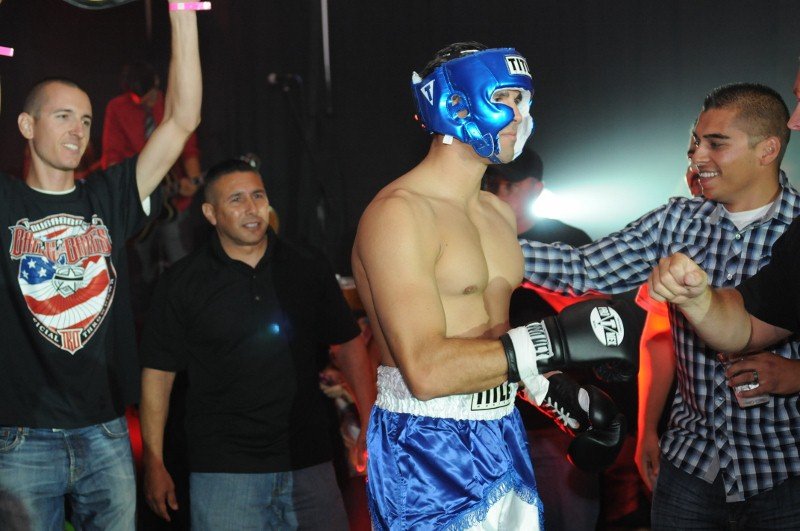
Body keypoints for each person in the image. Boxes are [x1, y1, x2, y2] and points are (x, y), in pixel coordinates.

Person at [352, 42, 634, 529]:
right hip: (426, 444)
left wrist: (557, 393)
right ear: (453, 104)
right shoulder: (399, 214)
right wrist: (554, 341)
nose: (519, 116)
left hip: (503, 430)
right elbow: (426, 372)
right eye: (503, 98)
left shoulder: (497, 214)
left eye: (523, 101)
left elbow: (496, 346)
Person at [519, 82, 800, 529]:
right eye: (696, 141)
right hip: (691, 465)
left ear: (767, 150)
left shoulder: (796, 229)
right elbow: (584, 268)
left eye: (716, 143)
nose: (697, 155)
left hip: (783, 468)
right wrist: (481, 247)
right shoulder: (677, 220)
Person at [0, 2, 202, 529]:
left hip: (106, 431)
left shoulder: (109, 195)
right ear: (26, 125)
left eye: (87, 119)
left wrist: (183, 11)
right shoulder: (5, 202)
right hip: (21, 437)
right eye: (63, 116)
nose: (79, 130)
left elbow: (182, 119)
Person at [138, 158, 376, 529]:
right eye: (236, 199)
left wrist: (369, 421)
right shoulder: (183, 282)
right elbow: (158, 374)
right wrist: (154, 461)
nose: (251, 208)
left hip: (308, 462)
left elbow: (348, 345)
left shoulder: (304, 266)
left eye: (258, 196)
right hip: (224, 473)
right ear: (211, 213)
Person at [485, 145, 604, 531]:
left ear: (534, 188)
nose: (494, 192)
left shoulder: (568, 240)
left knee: (572, 520)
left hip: (559, 419)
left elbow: (599, 319)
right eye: (489, 183)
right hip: (495, 419)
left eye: (506, 184)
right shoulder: (475, 242)